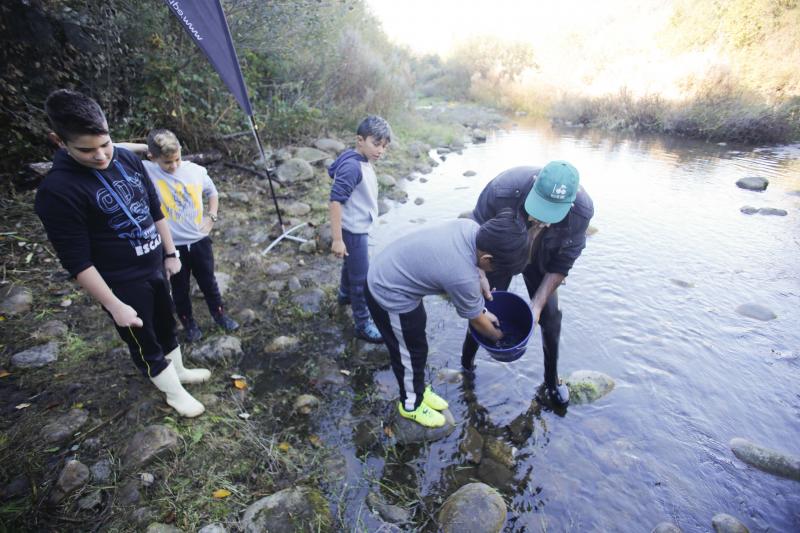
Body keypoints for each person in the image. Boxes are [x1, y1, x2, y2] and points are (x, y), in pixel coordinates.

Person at [34, 89, 208, 418]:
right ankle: (174, 393)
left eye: (105, 144)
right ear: (59, 141)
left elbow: (154, 209)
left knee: (166, 323)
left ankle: (180, 372)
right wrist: (114, 306)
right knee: (144, 341)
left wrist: (170, 253)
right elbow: (77, 261)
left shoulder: (126, 158)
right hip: (120, 281)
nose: (101, 156)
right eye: (86, 150)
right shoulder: (57, 191)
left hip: (156, 264)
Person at [366, 210, 529, 428]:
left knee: (417, 344)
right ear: (487, 258)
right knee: (408, 353)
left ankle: (419, 389)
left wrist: (481, 284)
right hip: (388, 292)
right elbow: (477, 321)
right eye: (496, 268)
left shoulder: (470, 228)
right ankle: (410, 405)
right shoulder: (462, 277)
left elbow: (475, 273)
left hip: (394, 270)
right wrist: (500, 337)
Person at [461, 161, 594, 408]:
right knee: (483, 307)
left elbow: (563, 264)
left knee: (551, 317)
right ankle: (466, 365)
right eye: (540, 210)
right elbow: (474, 233)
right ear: (533, 186)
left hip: (542, 259)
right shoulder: (502, 190)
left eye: (552, 214)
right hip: (502, 254)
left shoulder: (581, 213)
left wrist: (537, 305)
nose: (543, 220)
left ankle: (551, 381)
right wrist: (479, 273)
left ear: (571, 203)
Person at [141, 129, 238, 342]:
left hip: (199, 240)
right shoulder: (148, 170)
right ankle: (189, 323)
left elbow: (213, 193)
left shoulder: (195, 170)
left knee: (208, 282)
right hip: (172, 246)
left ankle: (219, 315)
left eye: (177, 159)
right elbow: (115, 149)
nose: (173, 166)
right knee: (179, 288)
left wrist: (211, 217)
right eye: (167, 162)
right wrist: (145, 148)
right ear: (152, 157)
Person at [328, 115, 392, 343]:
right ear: (360, 140)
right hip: (353, 230)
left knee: (350, 263)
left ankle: (344, 294)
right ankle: (363, 324)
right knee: (361, 278)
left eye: (384, 146)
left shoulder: (356, 158)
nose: (380, 151)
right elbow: (335, 201)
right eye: (376, 144)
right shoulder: (353, 167)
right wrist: (337, 239)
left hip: (356, 226)